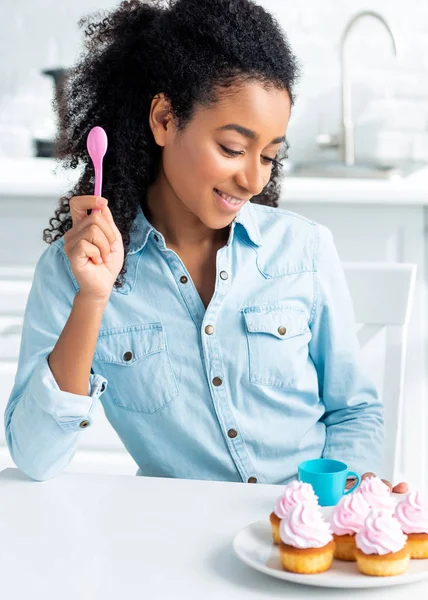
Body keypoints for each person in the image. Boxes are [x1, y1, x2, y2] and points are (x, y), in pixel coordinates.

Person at [4, 0, 406, 492]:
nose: (254, 179)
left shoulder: (305, 250)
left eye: (269, 156)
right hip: (175, 543)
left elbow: (354, 411)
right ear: (164, 118)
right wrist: (93, 298)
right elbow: (36, 457)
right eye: (233, 150)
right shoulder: (74, 269)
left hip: (298, 531)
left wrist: (349, 500)